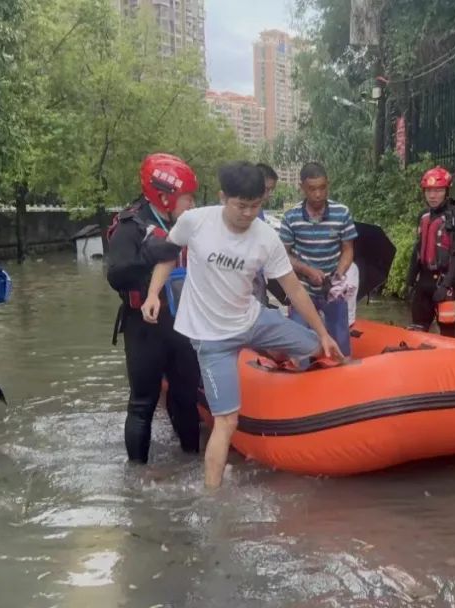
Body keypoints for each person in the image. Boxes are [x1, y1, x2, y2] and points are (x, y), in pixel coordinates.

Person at [141, 160, 344, 490]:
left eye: (256, 205)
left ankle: (292, 379)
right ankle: (212, 498)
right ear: (223, 197)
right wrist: (153, 294)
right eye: (241, 206)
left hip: (252, 320)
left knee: (315, 347)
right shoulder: (195, 221)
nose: (249, 213)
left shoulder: (265, 237)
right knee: (227, 421)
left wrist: (323, 332)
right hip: (212, 339)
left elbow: (292, 287)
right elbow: (167, 254)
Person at [105, 153, 204, 465]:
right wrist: (155, 253)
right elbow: (117, 274)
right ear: (164, 197)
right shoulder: (130, 225)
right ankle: (136, 479)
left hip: (183, 322)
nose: (191, 204)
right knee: (143, 403)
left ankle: (190, 463)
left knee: (186, 397)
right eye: (186, 198)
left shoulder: (188, 223)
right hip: (144, 326)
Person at [279, 162, 357, 357]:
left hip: (332, 290)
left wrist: (338, 274)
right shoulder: (291, 217)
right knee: (299, 349)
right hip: (301, 290)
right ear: (302, 188)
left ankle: (342, 380)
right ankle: (301, 377)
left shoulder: (342, 212)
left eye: (322, 188)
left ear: (327, 184)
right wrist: (307, 271)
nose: (318, 194)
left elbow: (348, 249)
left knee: (341, 344)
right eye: (312, 189)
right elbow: (283, 255)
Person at [405, 166, 455, 337]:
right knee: (417, 330)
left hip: (446, 282)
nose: (432, 196)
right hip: (424, 281)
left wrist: (446, 285)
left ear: (446, 191)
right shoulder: (423, 216)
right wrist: (410, 281)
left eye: (438, 191)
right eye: (429, 191)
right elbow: (417, 250)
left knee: (448, 332)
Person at [253, 163, 290, 308]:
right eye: (266, 189)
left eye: (271, 190)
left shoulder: (259, 212)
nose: (268, 195)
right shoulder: (245, 213)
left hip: (259, 278)